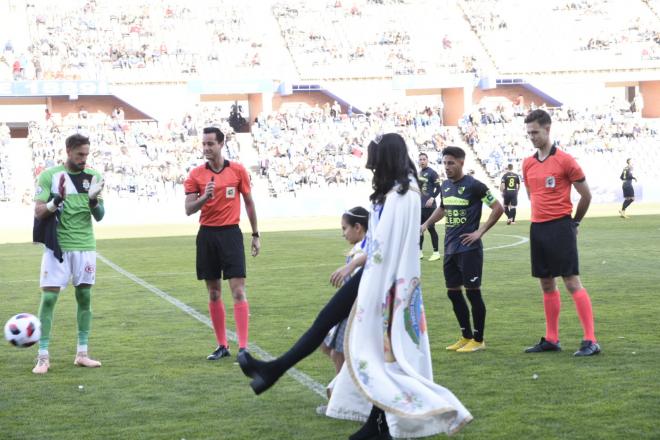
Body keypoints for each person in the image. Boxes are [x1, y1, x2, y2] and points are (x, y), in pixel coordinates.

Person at [238, 133, 472, 439]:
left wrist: (369, 285)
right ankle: (276, 371)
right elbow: (381, 244)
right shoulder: (400, 191)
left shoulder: (404, 194)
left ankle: (376, 422)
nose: (371, 167)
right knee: (367, 344)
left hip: (386, 284)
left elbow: (385, 248)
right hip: (380, 277)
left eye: (375, 161)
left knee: (384, 352)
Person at [522, 109, 600, 357]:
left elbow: (586, 195)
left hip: (561, 226)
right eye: (529, 133)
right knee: (546, 283)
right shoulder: (528, 163)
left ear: (547, 129)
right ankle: (552, 339)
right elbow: (531, 194)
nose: (532, 137)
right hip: (538, 227)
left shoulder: (565, 160)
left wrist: (574, 223)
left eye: (535, 132)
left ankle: (590, 340)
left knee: (571, 281)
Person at [31, 133, 106, 374]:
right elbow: (39, 212)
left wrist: (94, 201)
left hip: (85, 246)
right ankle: (43, 357)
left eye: (86, 154)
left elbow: (100, 216)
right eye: (79, 154)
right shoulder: (50, 176)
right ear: (68, 151)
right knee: (49, 298)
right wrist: (56, 201)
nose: (84, 159)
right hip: (58, 247)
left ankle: (82, 353)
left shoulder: (94, 177)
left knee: (84, 297)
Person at [184, 126, 260, 360]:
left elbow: (248, 202)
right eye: (204, 144)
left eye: (210, 144)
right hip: (207, 235)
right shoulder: (196, 174)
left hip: (231, 235)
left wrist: (256, 234)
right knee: (214, 293)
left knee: (238, 291)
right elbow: (188, 209)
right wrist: (204, 197)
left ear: (221, 144)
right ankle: (222, 345)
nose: (206, 148)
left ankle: (244, 348)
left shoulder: (237, 171)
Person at [421, 146, 503, 353]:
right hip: (450, 248)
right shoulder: (446, 186)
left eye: (451, 163)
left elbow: (497, 208)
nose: (447, 167)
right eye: (445, 163)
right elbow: (442, 208)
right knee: (453, 293)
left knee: (473, 294)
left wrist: (479, 232)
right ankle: (465, 336)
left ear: (461, 163)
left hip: (469, 249)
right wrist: (425, 225)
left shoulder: (475, 186)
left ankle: (479, 339)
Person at [320, 207, 369, 376]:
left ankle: (341, 398)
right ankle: (346, 391)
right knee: (326, 345)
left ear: (358, 227)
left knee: (336, 352)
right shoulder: (361, 247)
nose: (343, 233)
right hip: (349, 308)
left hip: (356, 310)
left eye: (344, 228)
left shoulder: (365, 250)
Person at [418, 152, 442, 261]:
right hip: (420, 207)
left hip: (430, 207)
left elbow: (439, 187)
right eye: (420, 159)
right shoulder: (418, 174)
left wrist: (432, 197)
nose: (422, 161)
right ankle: (419, 252)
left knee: (431, 229)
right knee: (419, 229)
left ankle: (436, 252)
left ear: (427, 160)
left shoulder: (432, 173)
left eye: (424, 159)